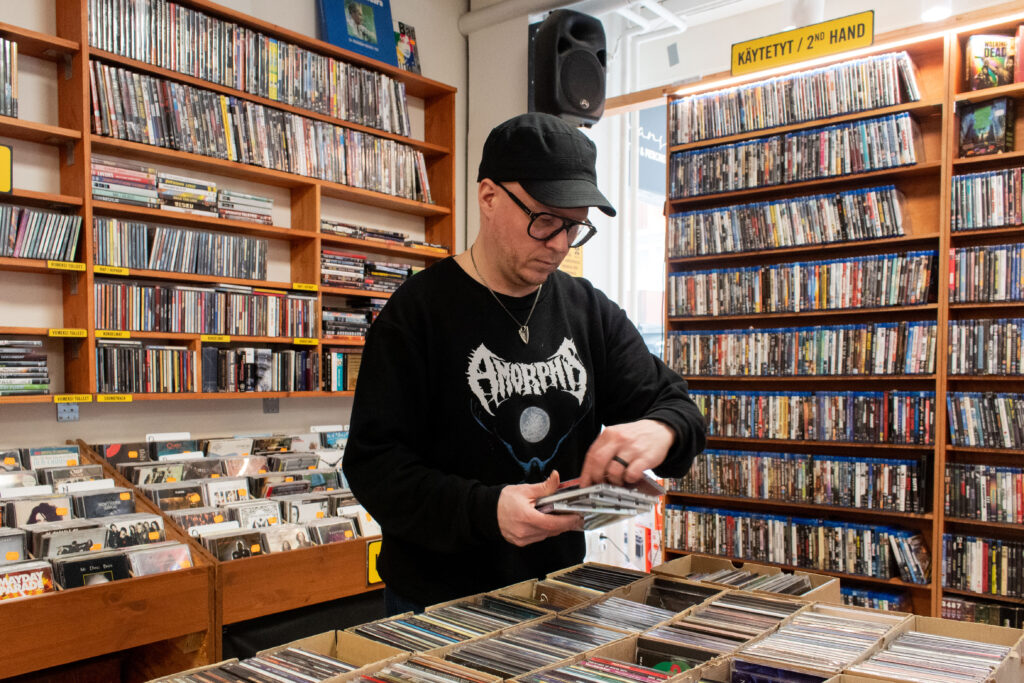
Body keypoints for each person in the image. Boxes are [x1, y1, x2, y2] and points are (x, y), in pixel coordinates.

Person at [343, 112, 707, 615]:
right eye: (544, 220)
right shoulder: (416, 314)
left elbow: (680, 410)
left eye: (574, 226)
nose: (559, 243)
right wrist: (487, 511)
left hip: (559, 596)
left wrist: (659, 431)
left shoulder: (589, 310)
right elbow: (374, 467)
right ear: (489, 197)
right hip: (435, 605)